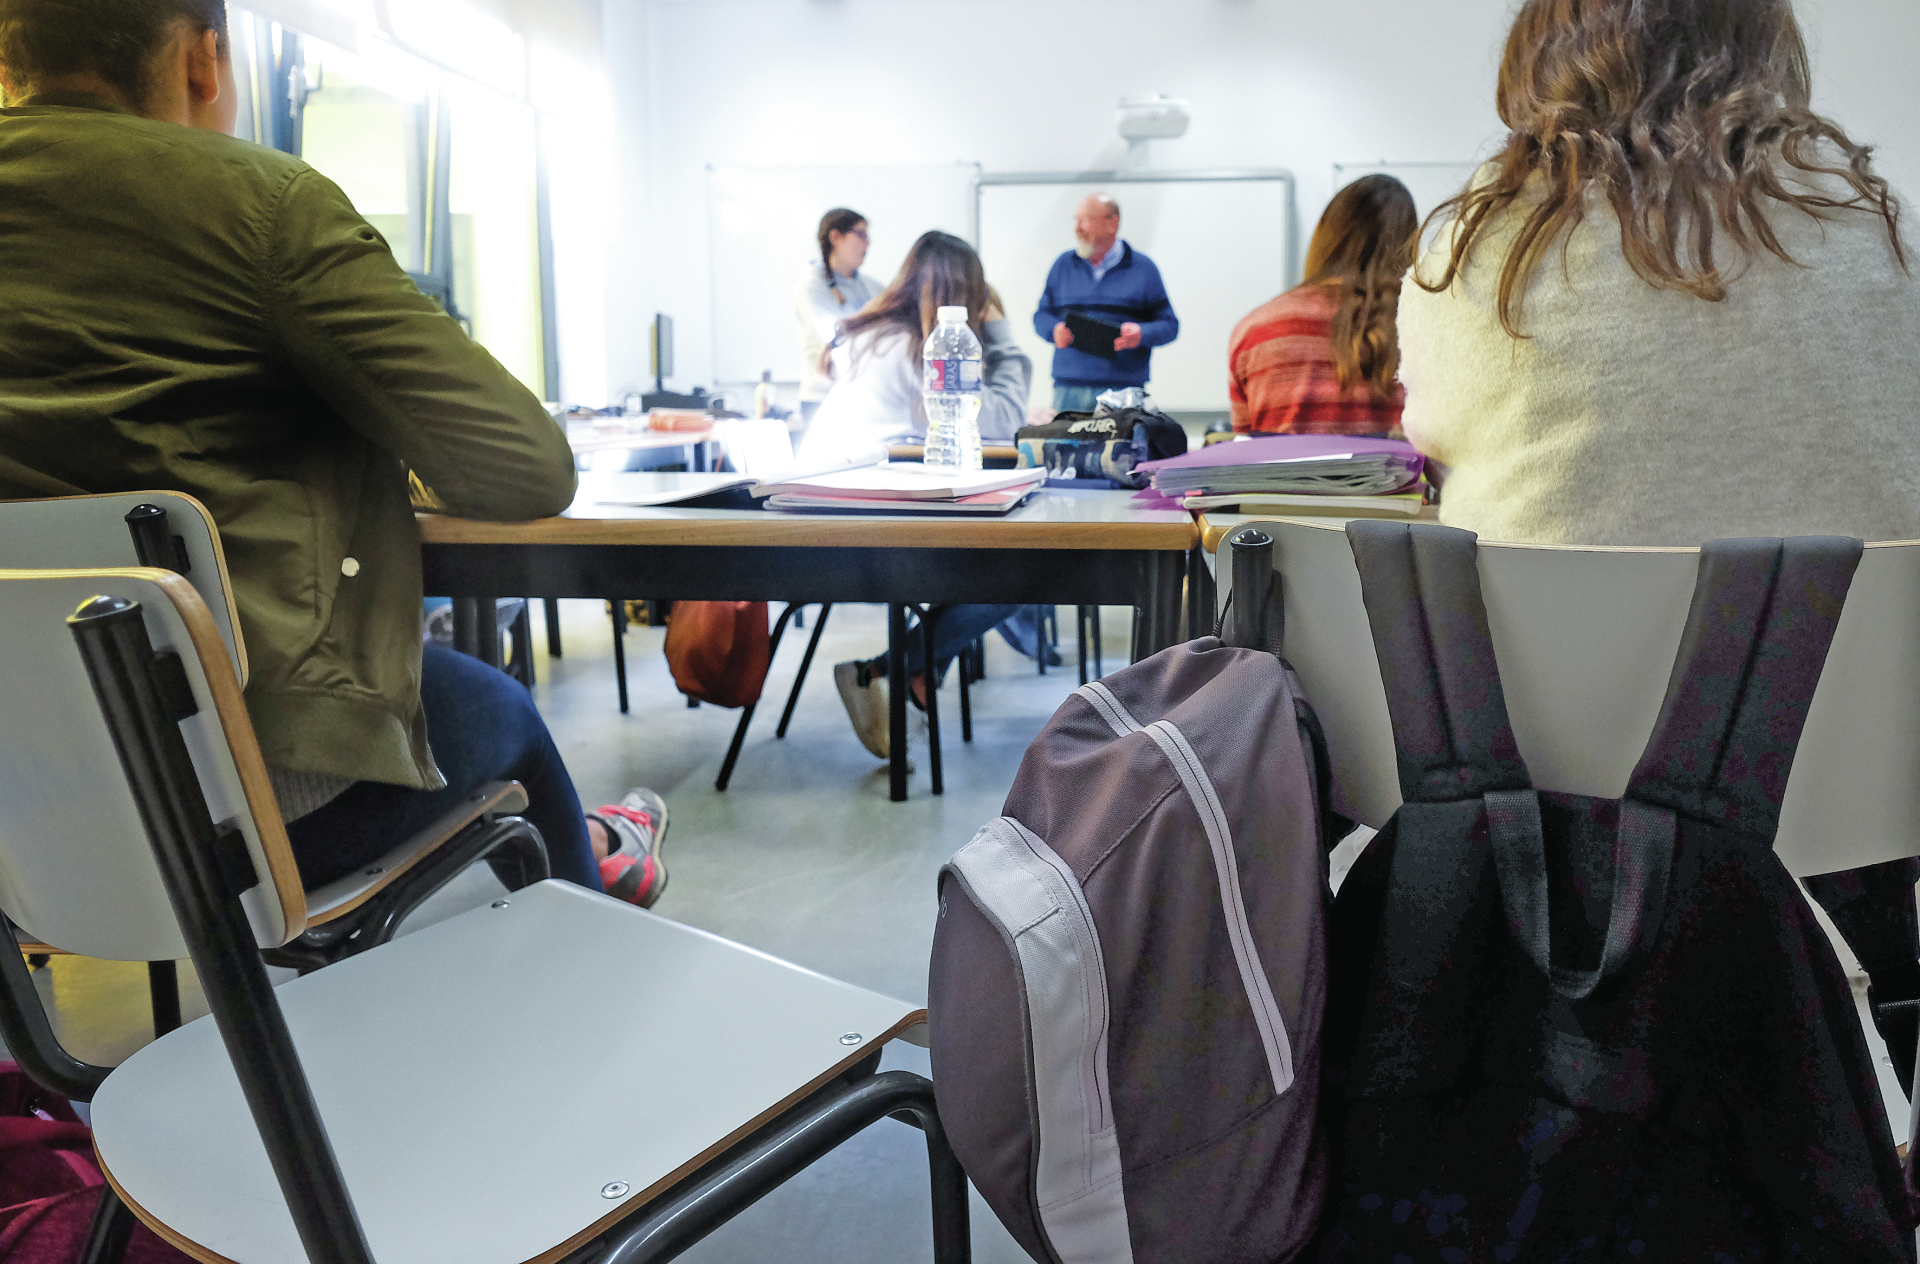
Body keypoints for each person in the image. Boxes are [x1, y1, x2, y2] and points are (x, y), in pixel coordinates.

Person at [0, 0, 671, 906]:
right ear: (206, 61)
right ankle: (599, 915)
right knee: (503, 712)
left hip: (26, 796)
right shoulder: (260, 206)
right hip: (250, 795)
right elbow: (525, 465)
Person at [1398, 0, 1920, 547]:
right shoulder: (1886, 233)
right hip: (1848, 629)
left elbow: (1428, 431)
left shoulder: (1482, 244)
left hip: (1539, 628)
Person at [796, 231, 1033, 759]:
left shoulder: (873, 334)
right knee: (1025, 571)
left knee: (980, 560)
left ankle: (908, 678)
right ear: (967, 296)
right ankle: (890, 673)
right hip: (865, 530)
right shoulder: (921, 348)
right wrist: (1000, 333)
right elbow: (999, 420)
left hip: (815, 518)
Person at [1228, 176, 1417, 436]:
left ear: (1322, 234)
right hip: (1395, 478)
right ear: (1409, 244)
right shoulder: (1422, 328)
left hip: (1279, 478)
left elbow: (1246, 445)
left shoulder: (1254, 330)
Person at [1032, 194, 1178, 413]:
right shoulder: (1063, 266)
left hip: (1124, 389)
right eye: (1076, 220)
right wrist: (1054, 331)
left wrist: (1141, 334)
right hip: (1070, 388)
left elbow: (1169, 325)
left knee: (1122, 448)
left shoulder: (1143, 269)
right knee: (1067, 447)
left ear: (1112, 223)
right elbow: (1041, 315)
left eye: (1085, 220)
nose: (1077, 228)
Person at [794, 208, 881, 427]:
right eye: (860, 235)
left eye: (868, 236)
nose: (868, 243)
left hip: (860, 396)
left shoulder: (871, 287)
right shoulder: (812, 286)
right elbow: (834, 335)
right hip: (822, 398)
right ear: (835, 238)